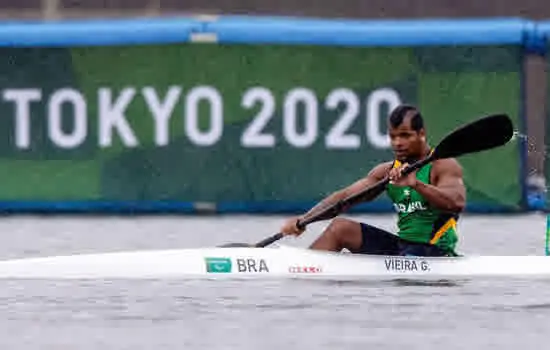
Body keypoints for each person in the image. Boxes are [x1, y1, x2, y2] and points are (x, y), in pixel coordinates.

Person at [280, 104, 465, 257]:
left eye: (405, 135)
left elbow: (456, 202)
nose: (397, 143)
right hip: (403, 248)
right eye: (393, 136)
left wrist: (416, 184)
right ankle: (302, 270)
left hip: (435, 252)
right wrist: (304, 220)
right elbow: (344, 198)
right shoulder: (387, 171)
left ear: (421, 134)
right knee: (340, 228)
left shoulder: (443, 165)